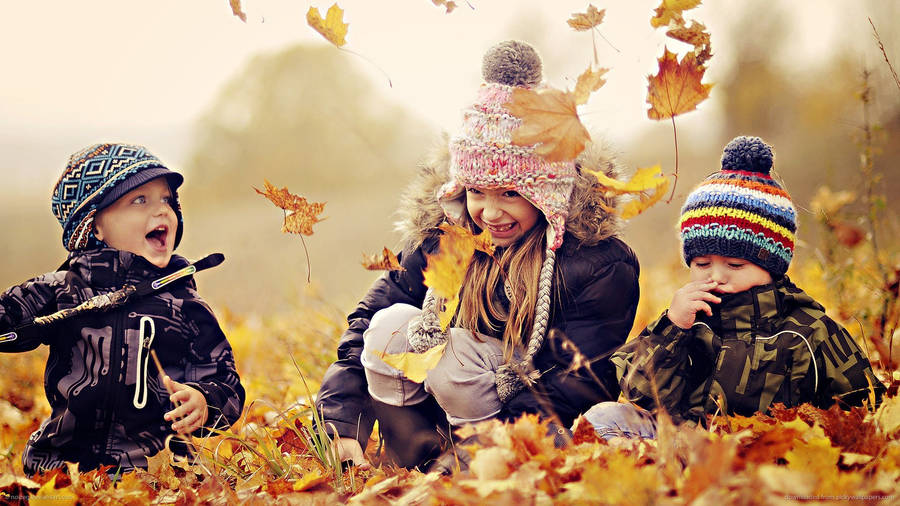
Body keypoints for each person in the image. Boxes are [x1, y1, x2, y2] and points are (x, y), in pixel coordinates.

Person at [315, 40, 640, 470]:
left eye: (510, 193)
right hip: (441, 423)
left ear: (549, 195)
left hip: (531, 430)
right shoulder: (446, 239)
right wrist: (341, 422)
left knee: (457, 362)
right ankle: (416, 457)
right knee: (389, 328)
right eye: (476, 192)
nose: (490, 212)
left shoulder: (594, 264)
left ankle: (473, 465)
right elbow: (366, 321)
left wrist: (482, 454)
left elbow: (575, 382)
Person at [584, 136, 885, 440]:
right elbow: (642, 394)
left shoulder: (809, 330)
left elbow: (866, 406)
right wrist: (671, 329)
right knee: (603, 417)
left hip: (769, 458)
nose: (717, 276)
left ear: (772, 266)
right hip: (687, 448)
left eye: (735, 265)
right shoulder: (689, 321)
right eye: (702, 264)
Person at [0, 143, 245, 475]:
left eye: (167, 200)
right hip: (59, 468)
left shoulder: (184, 305)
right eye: (139, 200)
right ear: (94, 226)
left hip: (153, 475)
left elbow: (226, 383)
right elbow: (9, 317)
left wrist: (203, 401)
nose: (161, 210)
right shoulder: (64, 288)